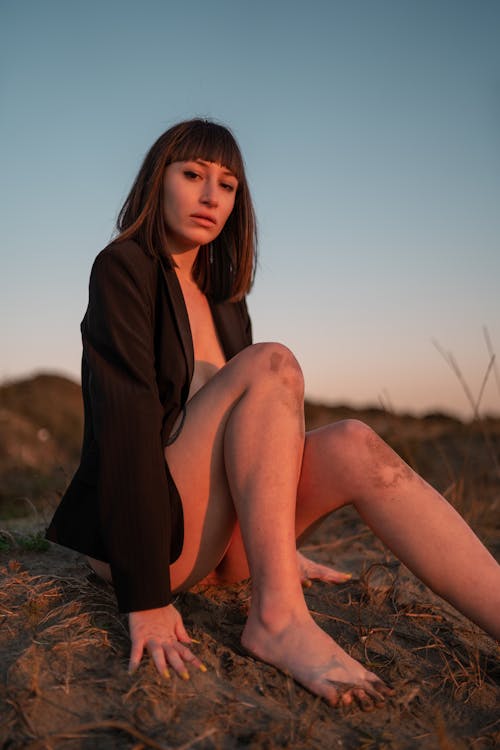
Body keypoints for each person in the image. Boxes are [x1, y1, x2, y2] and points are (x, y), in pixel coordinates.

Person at [46, 118, 500, 711]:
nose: (212, 196)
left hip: (217, 546)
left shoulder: (226, 299)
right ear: (158, 182)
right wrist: (145, 600)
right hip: (149, 544)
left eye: (228, 185)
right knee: (273, 365)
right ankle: (279, 618)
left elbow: (254, 437)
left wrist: (278, 546)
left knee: (356, 442)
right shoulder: (123, 269)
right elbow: (126, 426)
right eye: (193, 175)